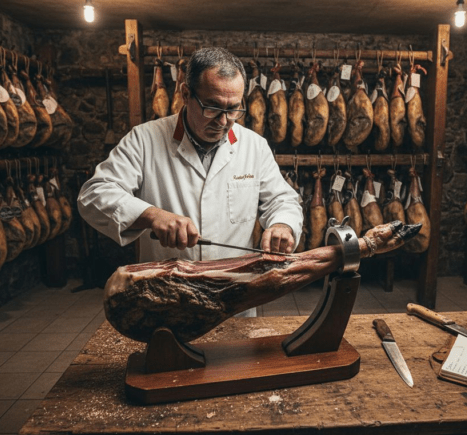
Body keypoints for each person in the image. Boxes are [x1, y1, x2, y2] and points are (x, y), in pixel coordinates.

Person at [77, 46, 303, 281]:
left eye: (233, 108)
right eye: (212, 107)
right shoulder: (144, 139)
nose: (224, 121)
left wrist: (282, 225)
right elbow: (94, 194)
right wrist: (152, 215)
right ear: (186, 95)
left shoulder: (254, 146)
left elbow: (282, 199)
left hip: (234, 290)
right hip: (166, 290)